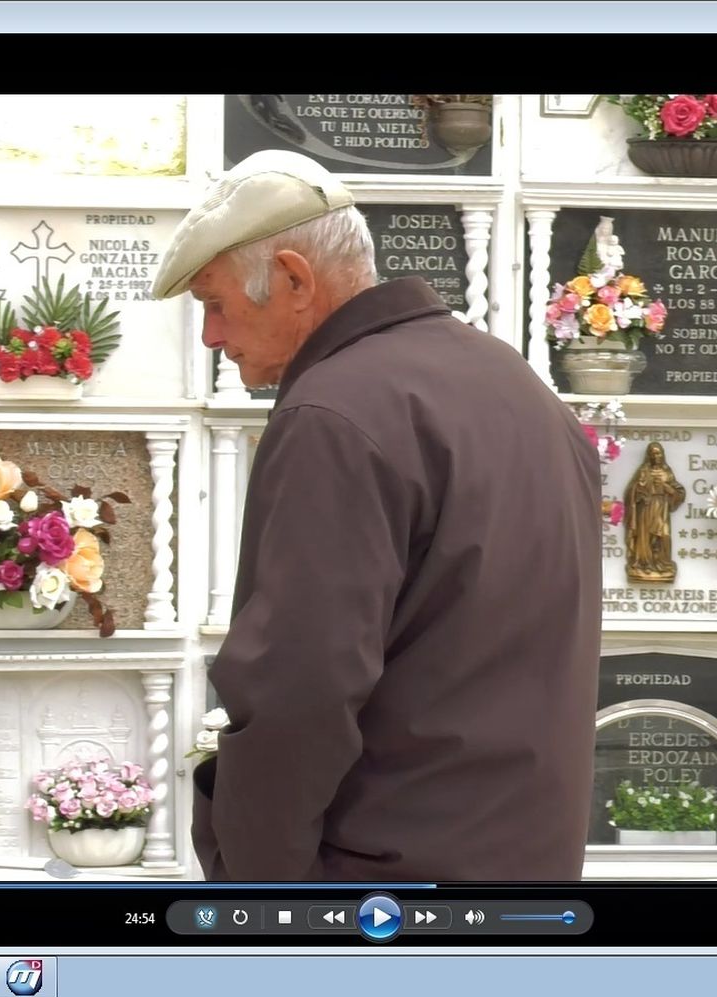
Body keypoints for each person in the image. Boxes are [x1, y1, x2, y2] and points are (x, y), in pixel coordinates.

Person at [152, 150, 602, 881]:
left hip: (383, 879)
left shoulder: (334, 412)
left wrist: (258, 890)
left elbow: (301, 684)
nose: (211, 336)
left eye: (216, 303)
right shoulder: (515, 383)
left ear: (295, 279)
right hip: (526, 863)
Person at [625, 442, 686, 583]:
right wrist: (640, 492)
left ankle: (662, 564)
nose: (656, 456)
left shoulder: (667, 472)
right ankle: (644, 564)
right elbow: (631, 491)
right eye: (653, 453)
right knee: (645, 537)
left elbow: (679, 492)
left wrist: (667, 488)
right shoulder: (643, 471)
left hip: (661, 507)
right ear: (649, 456)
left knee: (663, 535)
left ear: (662, 454)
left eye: (658, 453)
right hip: (646, 508)